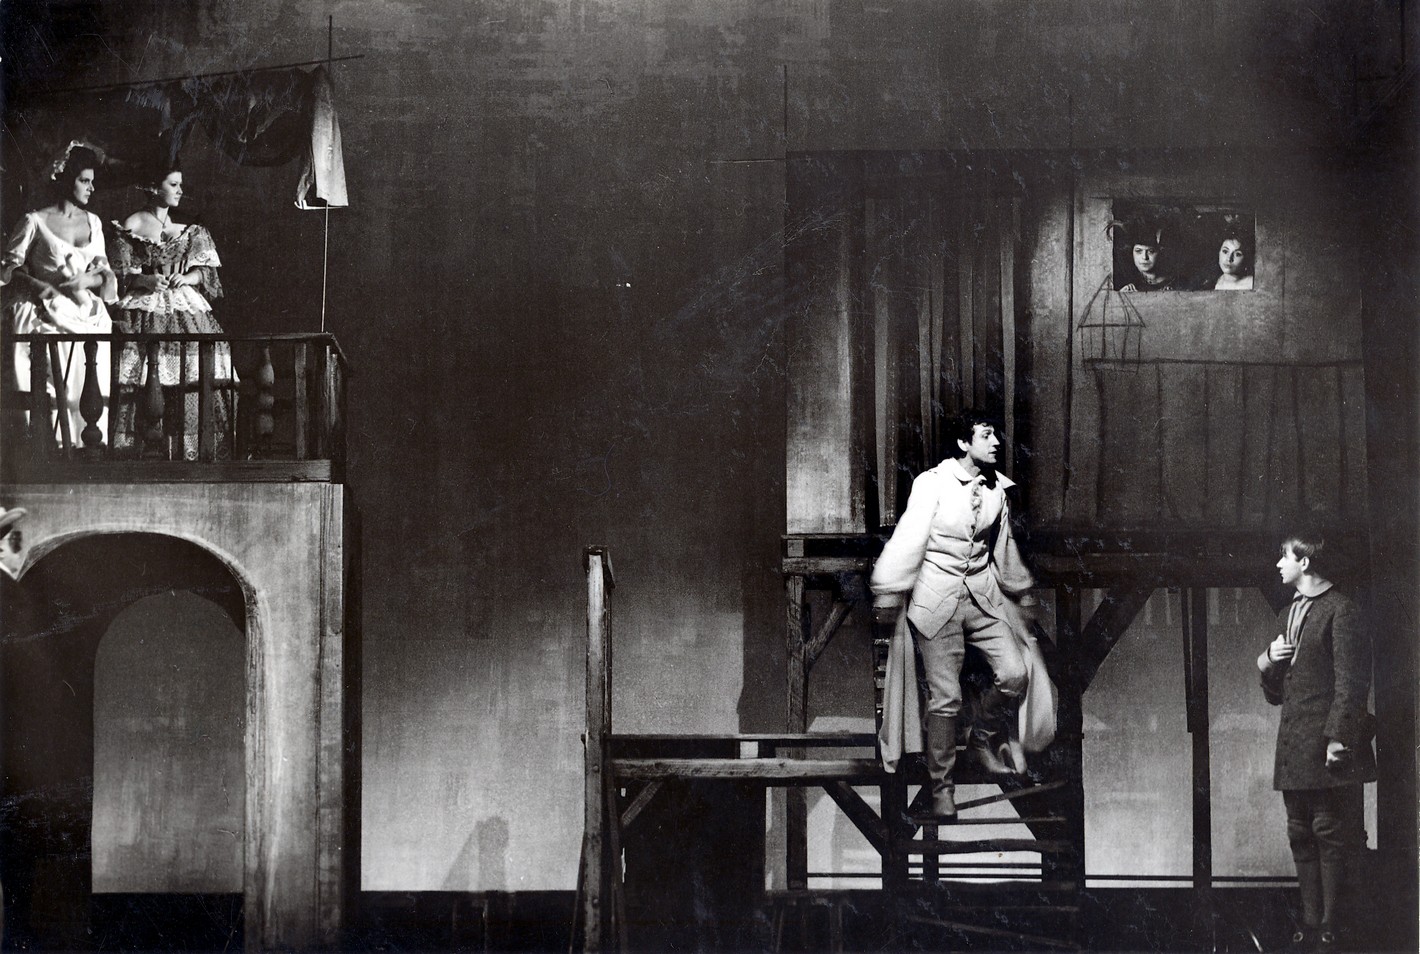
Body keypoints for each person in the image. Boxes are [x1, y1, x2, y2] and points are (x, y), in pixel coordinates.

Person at [870, 409, 1041, 821]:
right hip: (937, 600)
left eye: (996, 435)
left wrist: (1021, 590)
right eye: (986, 435)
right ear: (964, 443)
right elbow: (909, 537)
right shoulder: (932, 484)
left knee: (1015, 674)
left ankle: (981, 739)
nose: (996, 442)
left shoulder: (998, 490)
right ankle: (942, 788)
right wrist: (888, 587)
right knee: (945, 698)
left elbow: (1003, 547)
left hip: (982, 599)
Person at [1257, 531, 1376, 952]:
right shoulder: (1287, 613)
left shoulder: (1342, 610)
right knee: (1298, 832)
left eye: (1284, 556)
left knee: (1329, 831)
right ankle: (1309, 924)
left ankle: (1330, 925)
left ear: (1305, 562)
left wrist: (1338, 738)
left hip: (1327, 746)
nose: (1278, 564)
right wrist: (1266, 662)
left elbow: (1352, 683)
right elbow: (1275, 695)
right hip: (1294, 746)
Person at [110, 164, 234, 460]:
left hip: (185, 306)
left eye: (180, 184)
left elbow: (206, 273)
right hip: (145, 305)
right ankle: (143, 449)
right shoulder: (132, 223)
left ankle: (188, 450)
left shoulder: (189, 226)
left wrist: (187, 277)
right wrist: (145, 280)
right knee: (144, 372)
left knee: (193, 371)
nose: (180, 190)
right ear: (154, 187)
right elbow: (119, 274)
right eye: (173, 184)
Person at [1, 142, 116, 444]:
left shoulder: (93, 222)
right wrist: (38, 285)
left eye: (92, 181)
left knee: (89, 386)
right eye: (84, 181)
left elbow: (104, 273)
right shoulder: (34, 221)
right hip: (48, 311)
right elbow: (8, 271)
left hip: (87, 315)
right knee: (52, 388)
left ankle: (88, 447)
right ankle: (54, 448)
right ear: (64, 179)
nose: (91, 188)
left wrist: (86, 281)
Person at [1119, 226, 1179, 292]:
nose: (1145, 257)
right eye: (1138, 251)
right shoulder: (1127, 282)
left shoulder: (1175, 282)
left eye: (1151, 251)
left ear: (1160, 252)